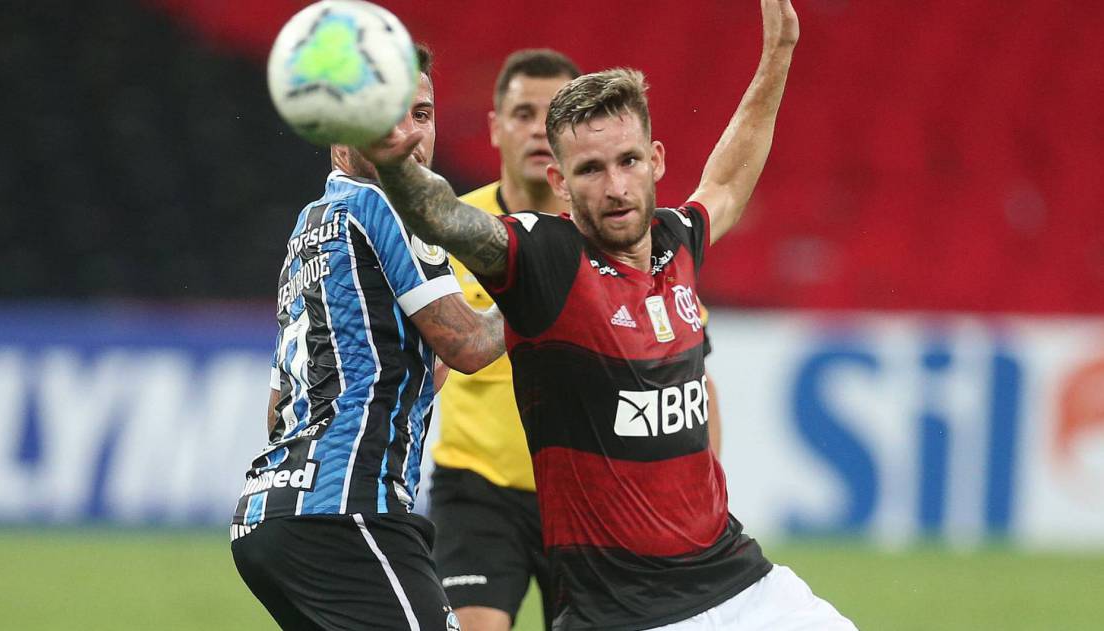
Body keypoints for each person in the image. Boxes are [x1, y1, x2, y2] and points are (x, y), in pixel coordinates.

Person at [361, 2, 856, 629]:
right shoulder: (546, 260)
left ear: (657, 160)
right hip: (625, 612)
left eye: (627, 162)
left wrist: (778, 54)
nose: (616, 187)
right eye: (590, 170)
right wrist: (392, 150)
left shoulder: (677, 241)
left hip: (740, 583)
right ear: (560, 182)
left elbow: (728, 181)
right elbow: (446, 216)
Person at [428, 49, 725, 631]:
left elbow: (690, 376)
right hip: (481, 490)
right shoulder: (454, 233)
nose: (538, 129)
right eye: (521, 113)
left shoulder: (624, 241)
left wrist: (704, 489)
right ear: (494, 127)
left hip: (597, 498)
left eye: (551, 114)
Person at [229, 46, 505, 631]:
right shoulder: (389, 206)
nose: (408, 136)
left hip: (268, 512)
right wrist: (547, 292)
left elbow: (280, 405)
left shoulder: (310, 225)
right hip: (348, 511)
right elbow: (470, 347)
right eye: (385, 116)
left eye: (422, 115)